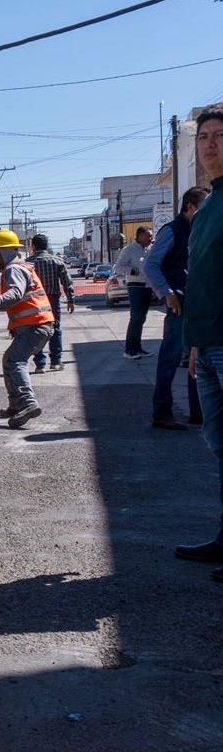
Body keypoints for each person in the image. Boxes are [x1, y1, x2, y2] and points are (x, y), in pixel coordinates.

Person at [175, 107, 223, 584]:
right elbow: (203, 279)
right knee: (220, 446)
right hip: (207, 345)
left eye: (220, 136)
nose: (210, 145)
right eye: (204, 137)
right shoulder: (208, 207)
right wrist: (193, 344)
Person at [143, 186, 210, 430]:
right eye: (204, 205)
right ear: (190, 206)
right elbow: (150, 265)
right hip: (180, 305)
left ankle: (198, 413)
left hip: (199, 304)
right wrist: (167, 293)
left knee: (198, 359)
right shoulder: (172, 230)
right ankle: (162, 413)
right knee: (170, 359)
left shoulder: (200, 229)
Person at [0, 229, 55, 429]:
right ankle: (15, 404)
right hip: (36, 325)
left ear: (5, 251)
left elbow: (15, 293)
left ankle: (28, 403)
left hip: (36, 325)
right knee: (9, 359)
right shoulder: (18, 267)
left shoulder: (13, 269)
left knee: (16, 362)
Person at [26, 233, 75, 372]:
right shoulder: (57, 261)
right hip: (52, 300)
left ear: (33, 246)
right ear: (46, 246)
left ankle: (40, 364)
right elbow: (67, 282)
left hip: (34, 301)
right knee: (55, 329)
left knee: (36, 330)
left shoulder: (27, 263)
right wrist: (70, 300)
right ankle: (56, 362)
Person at [113, 226, 154, 359]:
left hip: (147, 286)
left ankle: (137, 348)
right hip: (135, 286)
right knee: (136, 317)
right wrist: (132, 270)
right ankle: (129, 350)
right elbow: (118, 267)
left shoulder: (149, 249)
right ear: (140, 236)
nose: (151, 239)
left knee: (141, 318)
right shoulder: (129, 250)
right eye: (149, 236)